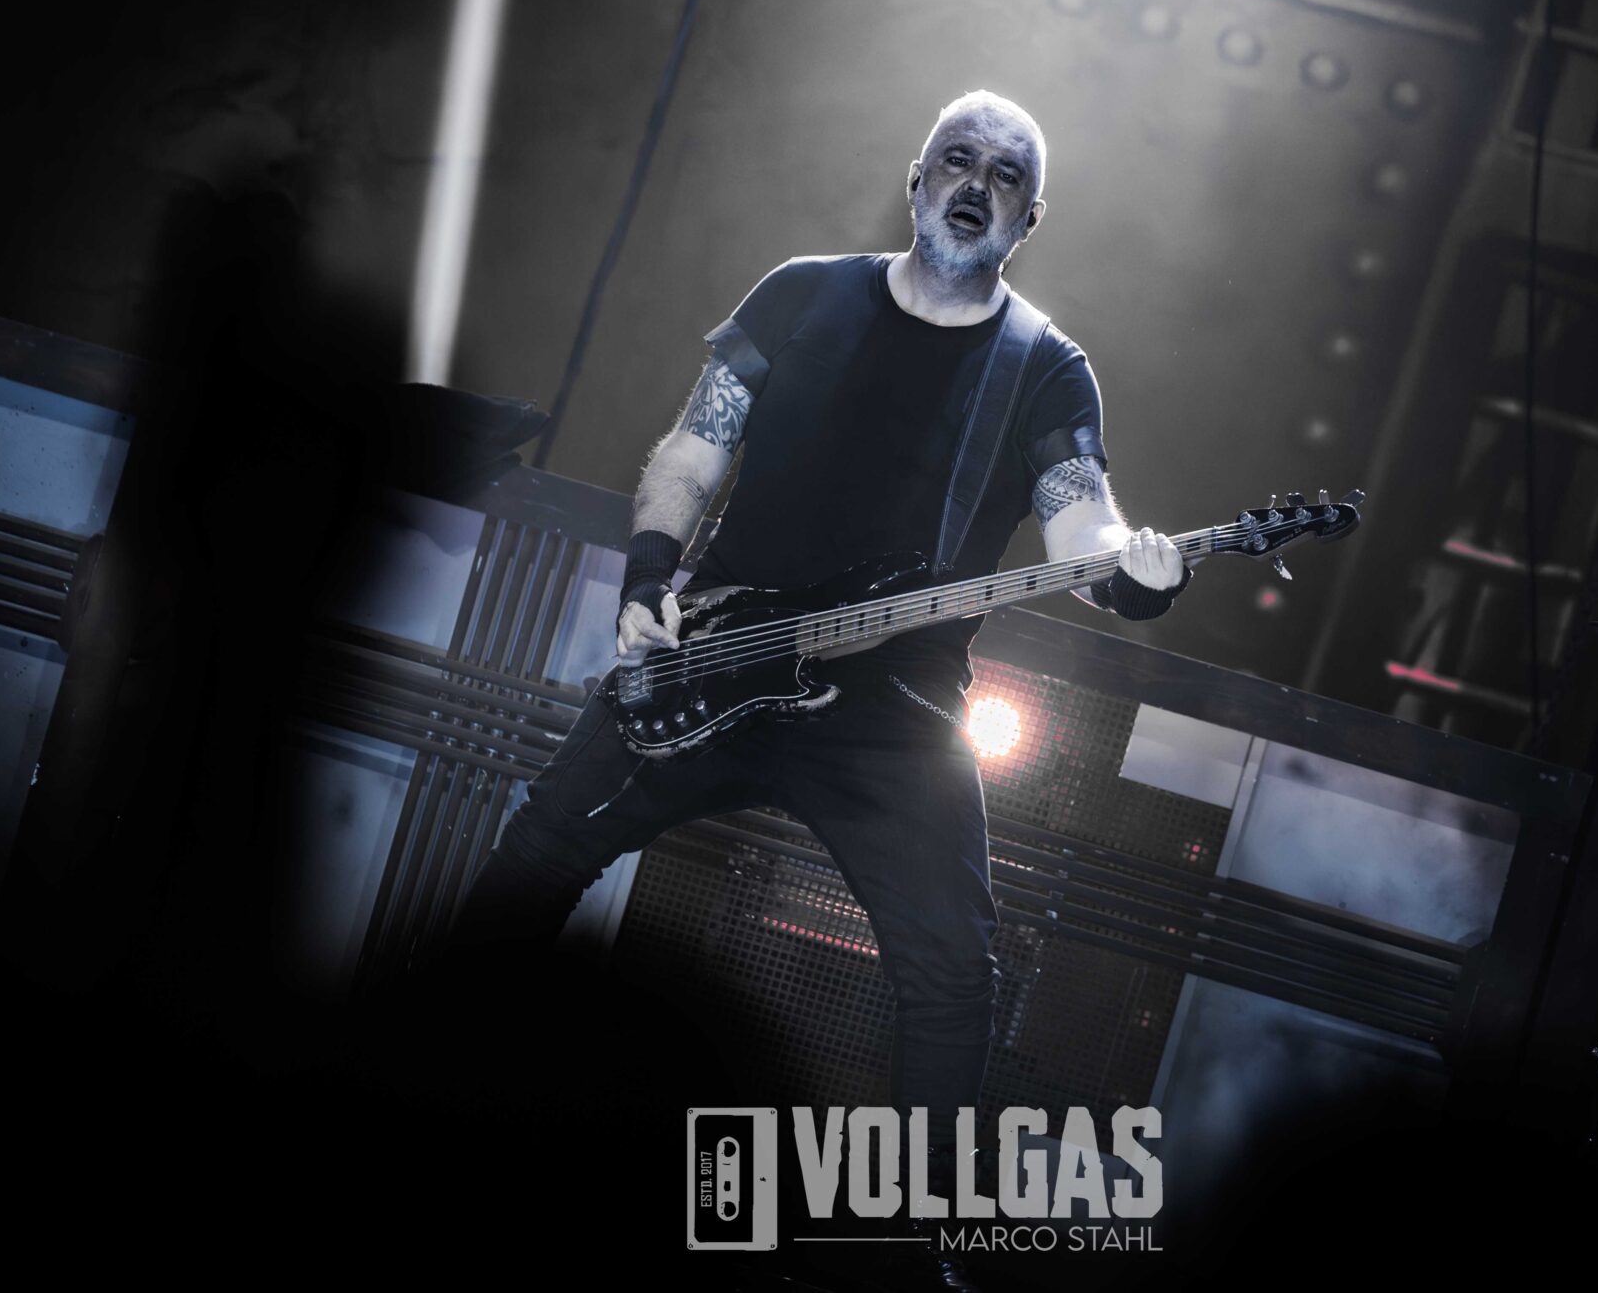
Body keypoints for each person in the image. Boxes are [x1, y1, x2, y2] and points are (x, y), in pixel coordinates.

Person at [443, 89, 1186, 1282]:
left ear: (1028, 218)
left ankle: (905, 1248)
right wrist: (649, 576)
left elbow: (1082, 525)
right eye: (956, 158)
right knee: (540, 847)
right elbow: (695, 444)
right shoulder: (801, 293)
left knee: (953, 973)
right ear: (916, 179)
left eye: (1004, 175)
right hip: (719, 650)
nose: (975, 182)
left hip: (897, 708)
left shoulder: (1045, 368)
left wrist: (1134, 574)